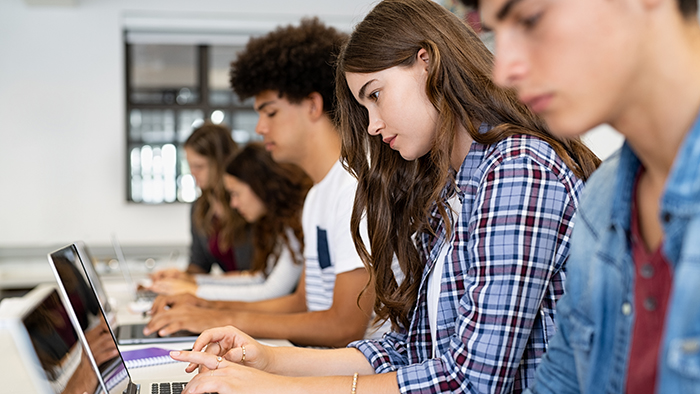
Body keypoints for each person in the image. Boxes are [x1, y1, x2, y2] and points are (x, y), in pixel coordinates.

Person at [166, 1, 601, 393]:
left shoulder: (517, 170)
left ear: (426, 63)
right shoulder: (449, 185)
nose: (373, 125)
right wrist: (265, 359)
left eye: (375, 95)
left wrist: (272, 388)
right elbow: (408, 349)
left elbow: (470, 382)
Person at [459, 0, 700, 393]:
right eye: (494, 34)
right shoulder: (602, 200)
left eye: (530, 20)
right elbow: (560, 381)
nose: (504, 72)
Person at [144, 18, 379, 348]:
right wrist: (208, 307)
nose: (259, 128)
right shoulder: (317, 197)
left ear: (312, 106)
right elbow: (303, 303)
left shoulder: (355, 188)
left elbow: (344, 326)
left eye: (269, 113)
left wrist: (219, 319)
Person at [149, 143, 312, 302]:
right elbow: (259, 278)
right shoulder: (282, 223)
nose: (233, 203)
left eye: (236, 194)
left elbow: (271, 291)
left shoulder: (297, 221)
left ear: (258, 186)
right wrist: (193, 282)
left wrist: (195, 290)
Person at [150, 123, 251, 282]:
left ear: (223, 162)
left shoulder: (249, 204)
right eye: (190, 166)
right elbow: (200, 265)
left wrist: (210, 283)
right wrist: (180, 276)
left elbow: (258, 277)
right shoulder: (200, 207)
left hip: (254, 298)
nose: (192, 173)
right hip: (228, 295)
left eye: (199, 166)